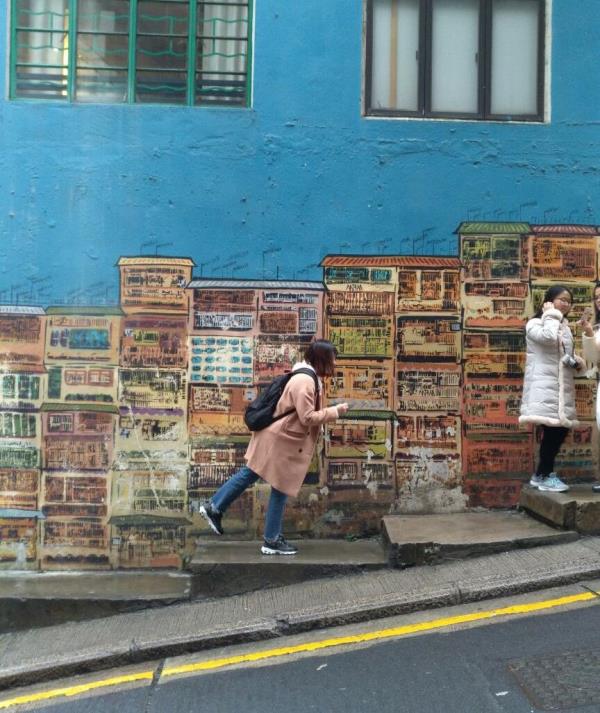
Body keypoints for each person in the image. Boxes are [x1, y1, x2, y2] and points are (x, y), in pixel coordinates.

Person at [200, 339, 349, 555]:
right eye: (332, 359)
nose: (335, 364)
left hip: (281, 440)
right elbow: (307, 417)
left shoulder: (308, 378)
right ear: (322, 359)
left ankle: (220, 510)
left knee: (264, 479)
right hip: (280, 441)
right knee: (268, 481)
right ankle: (265, 536)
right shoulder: (305, 382)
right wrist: (335, 411)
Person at [519, 285, 585, 493]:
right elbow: (548, 338)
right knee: (553, 431)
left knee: (558, 430)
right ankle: (544, 475)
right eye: (561, 299)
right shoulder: (535, 323)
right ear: (549, 301)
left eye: (568, 301)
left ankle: (542, 474)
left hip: (560, 388)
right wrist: (551, 315)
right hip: (544, 387)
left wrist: (576, 362)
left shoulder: (563, 326)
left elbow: (562, 353)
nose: (565, 304)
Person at [577, 282, 600, 492]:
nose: (599, 301)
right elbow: (594, 358)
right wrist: (589, 333)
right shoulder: (597, 326)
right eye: (597, 297)